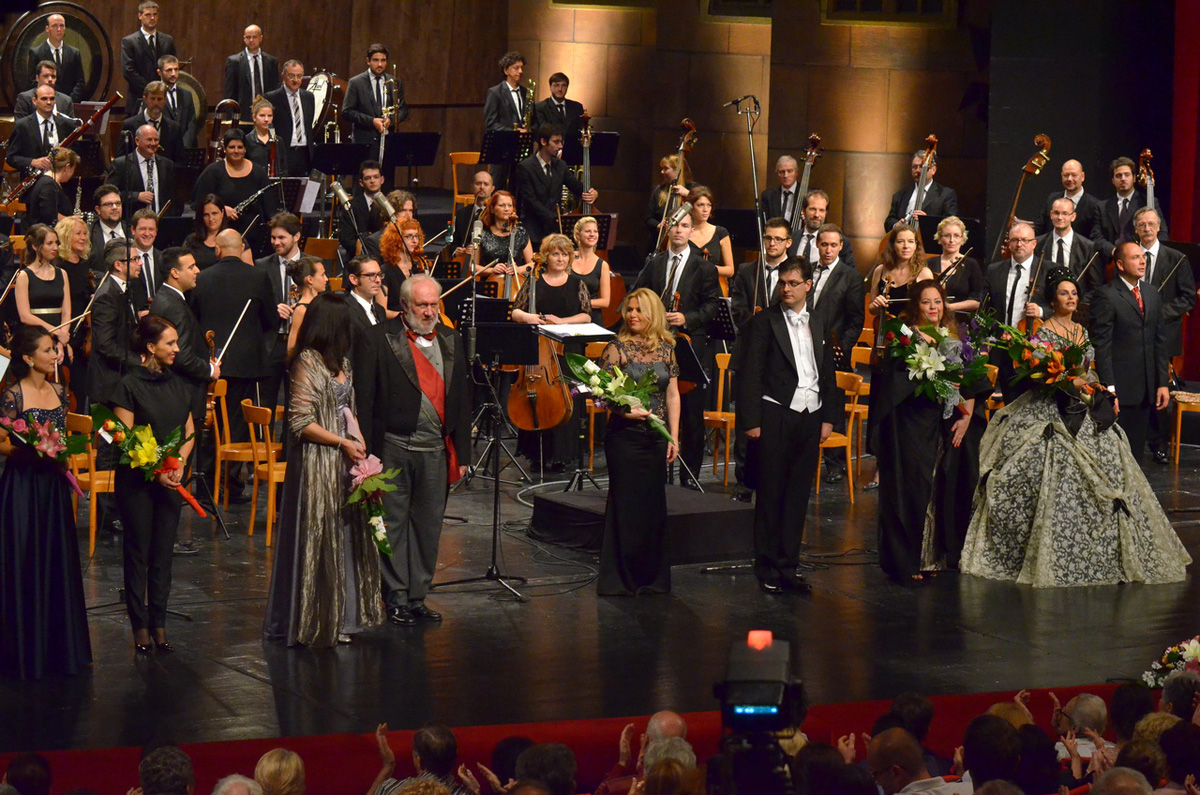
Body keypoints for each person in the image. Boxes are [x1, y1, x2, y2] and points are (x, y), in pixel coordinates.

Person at [961, 267, 1191, 586]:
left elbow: (1087, 371)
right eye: (1063, 293)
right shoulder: (1043, 331)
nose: (1070, 298)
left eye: (1073, 293)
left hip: (1081, 405)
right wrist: (1064, 380)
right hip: (1050, 407)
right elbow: (1039, 374)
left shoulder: (1081, 331)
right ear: (1053, 300)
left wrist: (1097, 388)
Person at [264, 294, 383, 647]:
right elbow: (300, 422)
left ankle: (344, 616)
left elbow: (348, 408)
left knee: (345, 536)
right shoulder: (307, 362)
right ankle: (317, 618)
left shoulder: (342, 361)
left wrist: (358, 442)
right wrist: (341, 442)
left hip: (345, 460)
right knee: (320, 535)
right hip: (318, 461)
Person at [352, 274, 471, 627]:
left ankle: (417, 596)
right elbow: (364, 399)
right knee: (391, 525)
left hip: (436, 451)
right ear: (404, 306)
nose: (430, 312)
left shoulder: (451, 338)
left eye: (434, 304)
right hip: (392, 447)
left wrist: (463, 454)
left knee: (428, 527)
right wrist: (367, 453)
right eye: (422, 305)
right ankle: (396, 597)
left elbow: (462, 400)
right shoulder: (377, 338)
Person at [736, 258, 837, 594]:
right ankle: (766, 566)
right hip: (776, 413)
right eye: (782, 283)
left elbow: (827, 372)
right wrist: (751, 421)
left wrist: (828, 417)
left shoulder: (818, 320)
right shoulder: (764, 322)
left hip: (810, 415)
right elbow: (750, 373)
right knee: (771, 493)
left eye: (793, 283)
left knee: (797, 495)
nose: (786, 289)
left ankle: (788, 567)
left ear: (808, 285)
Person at [0, 325, 92, 679]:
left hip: (52, 488)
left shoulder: (60, 390)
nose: (55, 355)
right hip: (23, 486)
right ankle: (23, 652)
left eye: (54, 349)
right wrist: (30, 451)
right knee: (25, 561)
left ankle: (57, 650)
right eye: (48, 350)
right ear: (27, 358)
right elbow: (2, 443)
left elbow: (62, 436)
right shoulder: (12, 395)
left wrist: (60, 453)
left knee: (54, 560)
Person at [871, 280, 974, 585]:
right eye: (926, 302)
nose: (933, 307)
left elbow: (971, 381)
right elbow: (891, 380)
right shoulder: (904, 337)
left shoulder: (953, 338)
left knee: (936, 490)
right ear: (916, 305)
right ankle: (906, 560)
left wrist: (966, 416)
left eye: (938, 302)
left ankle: (932, 557)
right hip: (909, 424)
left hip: (941, 425)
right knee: (911, 489)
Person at [113, 315, 196, 653]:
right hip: (137, 482)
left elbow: (188, 431)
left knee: (163, 554)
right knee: (138, 553)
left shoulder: (179, 384)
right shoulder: (128, 385)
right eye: (170, 343)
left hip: (170, 480)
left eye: (176, 342)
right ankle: (140, 627)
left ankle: (159, 623)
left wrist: (180, 464)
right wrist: (156, 471)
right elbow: (123, 438)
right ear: (150, 347)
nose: (176, 348)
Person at [633, 214, 721, 489]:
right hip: (656, 345)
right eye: (674, 225)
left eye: (684, 226)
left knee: (692, 415)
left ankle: (689, 475)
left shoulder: (704, 267)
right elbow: (641, 295)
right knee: (655, 408)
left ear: (692, 230)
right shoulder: (655, 262)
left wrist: (687, 318)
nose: (679, 231)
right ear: (667, 229)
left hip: (689, 344)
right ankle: (656, 469)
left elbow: (713, 306)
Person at [191, 229, 278, 497]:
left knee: (210, 425)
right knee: (237, 428)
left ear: (217, 249)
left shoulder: (202, 278)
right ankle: (230, 486)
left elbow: (193, 319)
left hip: (210, 362)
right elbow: (271, 319)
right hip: (246, 365)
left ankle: (206, 486)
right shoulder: (258, 276)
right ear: (241, 249)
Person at [149, 247, 220, 530]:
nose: (197, 271)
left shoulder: (169, 299)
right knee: (175, 467)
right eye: (191, 267)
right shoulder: (173, 306)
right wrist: (209, 370)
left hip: (175, 392)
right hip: (181, 394)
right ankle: (166, 535)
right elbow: (179, 355)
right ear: (174, 272)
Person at [511, 234, 592, 472]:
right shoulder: (534, 281)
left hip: (567, 350)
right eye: (555, 254)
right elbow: (515, 311)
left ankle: (561, 456)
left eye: (564, 254)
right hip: (539, 351)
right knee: (538, 396)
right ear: (546, 256)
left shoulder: (577, 284)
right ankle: (537, 454)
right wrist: (529, 317)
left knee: (565, 398)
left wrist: (561, 321)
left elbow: (586, 315)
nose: (560, 258)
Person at [1092, 242, 1171, 461]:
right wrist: (1109, 389)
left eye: (1143, 257)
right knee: (1116, 455)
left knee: (1136, 454)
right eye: (1135, 257)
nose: (1142, 261)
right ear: (1120, 264)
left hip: (1145, 389)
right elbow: (1102, 345)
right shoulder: (1106, 295)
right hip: (1120, 389)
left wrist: (1162, 383)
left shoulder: (1151, 293)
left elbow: (1159, 341)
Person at [1133, 207, 1196, 464]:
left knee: (1161, 390)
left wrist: (1160, 313)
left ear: (1159, 227)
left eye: (1151, 224)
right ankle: (1134, 441)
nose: (1147, 229)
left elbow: (1188, 297)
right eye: (1142, 225)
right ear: (1136, 229)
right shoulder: (1129, 255)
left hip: (1164, 336)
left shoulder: (1177, 259)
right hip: (1133, 336)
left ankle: (1159, 444)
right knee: (1136, 390)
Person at [809, 222, 866, 483]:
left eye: (833, 245)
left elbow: (856, 320)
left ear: (841, 246)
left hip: (833, 350)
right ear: (817, 245)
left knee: (833, 402)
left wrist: (841, 348)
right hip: (807, 345)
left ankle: (835, 463)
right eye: (824, 244)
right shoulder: (808, 271)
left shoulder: (850, 277)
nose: (828, 249)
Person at [983, 222, 1047, 405]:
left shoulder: (1047, 269)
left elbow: (1060, 307)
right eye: (1015, 240)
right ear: (1009, 243)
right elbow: (986, 308)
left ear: (1034, 243)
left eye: (1025, 240)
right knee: (1008, 402)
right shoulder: (994, 270)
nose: (1020, 244)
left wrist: (1041, 311)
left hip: (1034, 349)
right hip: (1002, 348)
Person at [514, 123, 598, 249]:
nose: (560, 146)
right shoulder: (525, 167)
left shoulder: (560, 165)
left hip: (554, 230)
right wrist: (555, 218)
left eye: (561, 142)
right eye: (556, 142)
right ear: (543, 142)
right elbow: (530, 200)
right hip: (533, 231)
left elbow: (576, 187)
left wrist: (592, 192)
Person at [191, 129, 275, 245]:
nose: (236, 151)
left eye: (240, 147)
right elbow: (199, 203)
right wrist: (221, 210)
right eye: (231, 147)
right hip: (221, 235)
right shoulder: (213, 171)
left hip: (253, 236)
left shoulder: (258, 171)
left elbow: (270, 206)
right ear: (225, 149)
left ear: (245, 149)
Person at [259, 212, 305, 406]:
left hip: (302, 344)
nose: (276, 242)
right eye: (273, 238)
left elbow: (324, 303)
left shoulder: (314, 265)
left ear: (296, 236)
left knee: (297, 405)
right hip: (273, 343)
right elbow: (255, 307)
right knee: (266, 403)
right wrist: (272, 309)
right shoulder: (261, 266)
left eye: (281, 238)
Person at [1091, 156, 1168, 262]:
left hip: (1141, 258)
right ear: (1113, 180)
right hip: (1111, 260)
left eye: (1127, 175)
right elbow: (1096, 237)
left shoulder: (1148, 203)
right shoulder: (1102, 207)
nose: (1123, 179)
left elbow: (1162, 233)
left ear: (1134, 178)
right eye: (1118, 176)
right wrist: (1114, 251)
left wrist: (1146, 252)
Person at [15, 224, 72, 364]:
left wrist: (61, 342)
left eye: (56, 243)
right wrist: (56, 332)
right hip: (35, 339)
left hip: (59, 340)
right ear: (35, 246)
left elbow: (66, 313)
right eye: (49, 243)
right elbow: (25, 316)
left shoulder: (62, 274)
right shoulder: (24, 276)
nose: (55, 247)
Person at [53, 215, 93, 407]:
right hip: (67, 336)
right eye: (78, 233)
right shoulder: (58, 268)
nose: (83, 237)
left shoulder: (86, 266)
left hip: (86, 338)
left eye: (85, 233)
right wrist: (64, 340)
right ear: (65, 236)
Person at [1034, 198, 1100, 307]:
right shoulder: (1038, 244)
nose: (1060, 217)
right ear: (1051, 215)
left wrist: (1075, 303)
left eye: (1065, 214)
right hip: (1043, 307)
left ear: (1073, 216)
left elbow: (1095, 286)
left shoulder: (1088, 247)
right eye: (1056, 213)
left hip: (1075, 308)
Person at [344, 44, 406, 156]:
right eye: (376, 60)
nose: (380, 64)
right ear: (368, 61)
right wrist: (372, 121)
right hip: (364, 143)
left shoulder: (395, 82)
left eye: (383, 60)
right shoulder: (356, 83)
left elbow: (403, 110)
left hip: (388, 142)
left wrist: (391, 120)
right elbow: (347, 112)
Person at [4, 84, 79, 174]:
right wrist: (32, 162)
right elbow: (11, 157)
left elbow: (74, 153)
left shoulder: (67, 124)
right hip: (33, 179)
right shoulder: (23, 125)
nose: (49, 102)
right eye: (44, 99)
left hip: (60, 178)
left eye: (52, 99)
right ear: (34, 101)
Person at [107, 124, 177, 217]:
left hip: (161, 221)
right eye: (149, 140)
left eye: (156, 140)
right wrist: (136, 196)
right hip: (132, 221)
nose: (153, 143)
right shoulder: (121, 164)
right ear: (137, 141)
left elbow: (172, 196)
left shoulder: (167, 164)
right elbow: (109, 194)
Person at [483, 50, 529, 190]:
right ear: (505, 70)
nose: (520, 71)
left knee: (518, 187)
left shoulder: (525, 92)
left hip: (520, 148)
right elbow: (491, 123)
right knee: (497, 186)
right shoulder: (495, 92)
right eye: (516, 68)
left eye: (521, 68)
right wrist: (514, 132)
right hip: (501, 147)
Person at [120, 1, 176, 114]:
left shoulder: (167, 40)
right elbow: (128, 71)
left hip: (163, 100)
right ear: (140, 16)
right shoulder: (129, 41)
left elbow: (172, 66)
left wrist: (161, 90)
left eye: (155, 14)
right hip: (138, 97)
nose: (152, 18)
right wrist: (152, 89)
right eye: (148, 15)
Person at [884, 148, 958, 232]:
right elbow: (889, 221)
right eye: (914, 167)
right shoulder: (900, 195)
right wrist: (896, 225)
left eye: (922, 167)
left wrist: (927, 221)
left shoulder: (945, 194)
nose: (918, 170)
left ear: (933, 170)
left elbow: (952, 223)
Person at [265, 60, 316, 177]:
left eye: (299, 76)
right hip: (284, 153)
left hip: (304, 154)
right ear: (283, 76)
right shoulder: (272, 97)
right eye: (291, 76)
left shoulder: (309, 97)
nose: (295, 80)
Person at [474, 190, 534, 288]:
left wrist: (518, 269)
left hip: (515, 286)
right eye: (502, 205)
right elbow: (473, 266)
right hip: (489, 286)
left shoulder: (520, 233)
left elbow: (532, 264)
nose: (506, 209)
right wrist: (492, 270)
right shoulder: (482, 233)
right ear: (492, 209)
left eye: (510, 205)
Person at [927, 215, 985, 317]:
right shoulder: (929, 263)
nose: (951, 240)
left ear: (962, 239)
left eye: (956, 236)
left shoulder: (971, 264)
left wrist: (948, 307)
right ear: (939, 238)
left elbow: (976, 301)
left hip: (960, 320)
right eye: (947, 236)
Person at [118, 81, 184, 165]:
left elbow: (180, 161)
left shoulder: (174, 128)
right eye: (152, 99)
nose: (156, 103)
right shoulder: (129, 125)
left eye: (159, 99)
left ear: (165, 100)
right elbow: (121, 158)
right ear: (145, 99)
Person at [224, 25, 279, 121]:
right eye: (248, 37)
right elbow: (230, 94)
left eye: (254, 37)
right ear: (244, 39)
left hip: (266, 116)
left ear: (261, 38)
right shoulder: (234, 62)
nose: (251, 40)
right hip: (243, 116)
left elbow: (275, 90)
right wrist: (232, 119)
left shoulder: (271, 61)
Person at [1036, 158, 1102, 240]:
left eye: (1074, 175)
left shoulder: (1095, 206)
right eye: (1066, 175)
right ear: (1061, 176)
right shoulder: (1052, 199)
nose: (1069, 179)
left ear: (1082, 176)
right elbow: (1039, 228)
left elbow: (1095, 237)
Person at [792, 189, 859, 269]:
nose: (816, 215)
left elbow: (850, 273)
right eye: (812, 209)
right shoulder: (791, 238)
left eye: (821, 210)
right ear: (803, 211)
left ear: (826, 213)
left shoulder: (840, 241)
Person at [27, 14, 86, 102]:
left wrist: (68, 101)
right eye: (55, 26)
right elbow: (33, 81)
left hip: (70, 103)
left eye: (62, 26)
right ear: (47, 29)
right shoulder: (36, 52)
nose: (59, 29)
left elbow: (80, 81)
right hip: (46, 103)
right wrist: (48, 99)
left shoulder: (74, 53)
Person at [337, 160, 386, 259]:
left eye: (376, 177)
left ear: (382, 179)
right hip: (359, 257)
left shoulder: (390, 203)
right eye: (368, 178)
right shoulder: (351, 206)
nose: (372, 181)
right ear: (361, 183)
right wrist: (366, 250)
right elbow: (346, 239)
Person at [378, 218, 426, 318]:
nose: (415, 241)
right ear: (396, 240)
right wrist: (408, 316)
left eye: (416, 236)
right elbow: (381, 311)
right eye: (408, 236)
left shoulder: (419, 267)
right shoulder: (385, 271)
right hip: (395, 323)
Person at [687, 185, 734, 280]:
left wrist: (709, 268)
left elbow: (730, 270)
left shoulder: (720, 233)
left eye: (709, 205)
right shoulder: (683, 232)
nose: (705, 210)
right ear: (691, 207)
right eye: (700, 205)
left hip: (712, 285)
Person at [644, 155, 692, 246]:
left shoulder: (691, 188)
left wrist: (688, 194)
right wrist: (659, 225)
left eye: (665, 168)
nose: (662, 172)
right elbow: (648, 218)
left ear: (677, 170)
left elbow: (702, 205)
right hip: (661, 241)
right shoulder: (658, 190)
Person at [23, 146, 76, 228]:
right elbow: (50, 216)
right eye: (73, 169)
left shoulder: (50, 183)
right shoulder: (47, 185)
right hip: (45, 234)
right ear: (67, 167)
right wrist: (72, 221)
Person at [572, 216, 611, 324]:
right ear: (578, 235)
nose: (592, 234)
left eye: (595, 231)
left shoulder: (602, 265)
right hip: (569, 316)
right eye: (588, 231)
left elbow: (605, 302)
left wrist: (579, 302)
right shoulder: (567, 259)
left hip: (592, 318)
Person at [286, 257, 329, 354]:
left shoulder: (323, 304)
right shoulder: (301, 310)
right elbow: (291, 347)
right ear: (310, 279)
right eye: (322, 275)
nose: (326, 279)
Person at [184, 194, 236, 271]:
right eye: (206, 215)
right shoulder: (191, 241)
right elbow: (184, 268)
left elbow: (247, 269)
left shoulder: (235, 238)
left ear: (222, 213)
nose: (211, 219)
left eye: (214, 213)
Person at [126, 208, 164, 313]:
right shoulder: (125, 261)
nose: (147, 234)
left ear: (156, 231)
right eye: (142, 229)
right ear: (133, 230)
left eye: (151, 229)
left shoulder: (164, 258)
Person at [449, 171, 495, 255]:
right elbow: (454, 243)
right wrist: (456, 251)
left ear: (492, 189)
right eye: (478, 184)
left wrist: (479, 251)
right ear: (472, 187)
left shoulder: (496, 213)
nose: (482, 187)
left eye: (486, 184)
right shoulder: (461, 213)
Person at [157, 54, 197, 148]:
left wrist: (184, 145)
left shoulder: (187, 95)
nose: (173, 74)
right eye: (169, 70)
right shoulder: (154, 96)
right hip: (162, 148)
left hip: (184, 148)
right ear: (159, 72)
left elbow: (191, 123)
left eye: (176, 69)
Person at [345, 255, 386, 332]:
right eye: (371, 275)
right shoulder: (344, 310)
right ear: (354, 279)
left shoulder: (380, 310)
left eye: (379, 275)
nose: (378, 280)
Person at [759, 155, 802, 227]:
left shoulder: (808, 194)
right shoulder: (768, 196)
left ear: (796, 173)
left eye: (789, 171)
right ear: (777, 174)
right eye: (782, 172)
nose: (785, 175)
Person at [91, 184, 129, 262]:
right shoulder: (89, 235)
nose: (115, 207)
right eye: (108, 204)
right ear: (98, 209)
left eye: (118, 203)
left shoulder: (132, 231)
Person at [243, 99, 276, 171]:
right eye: (262, 115)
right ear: (254, 117)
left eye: (269, 116)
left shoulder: (278, 141)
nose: (266, 119)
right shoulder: (247, 140)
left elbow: (283, 168)